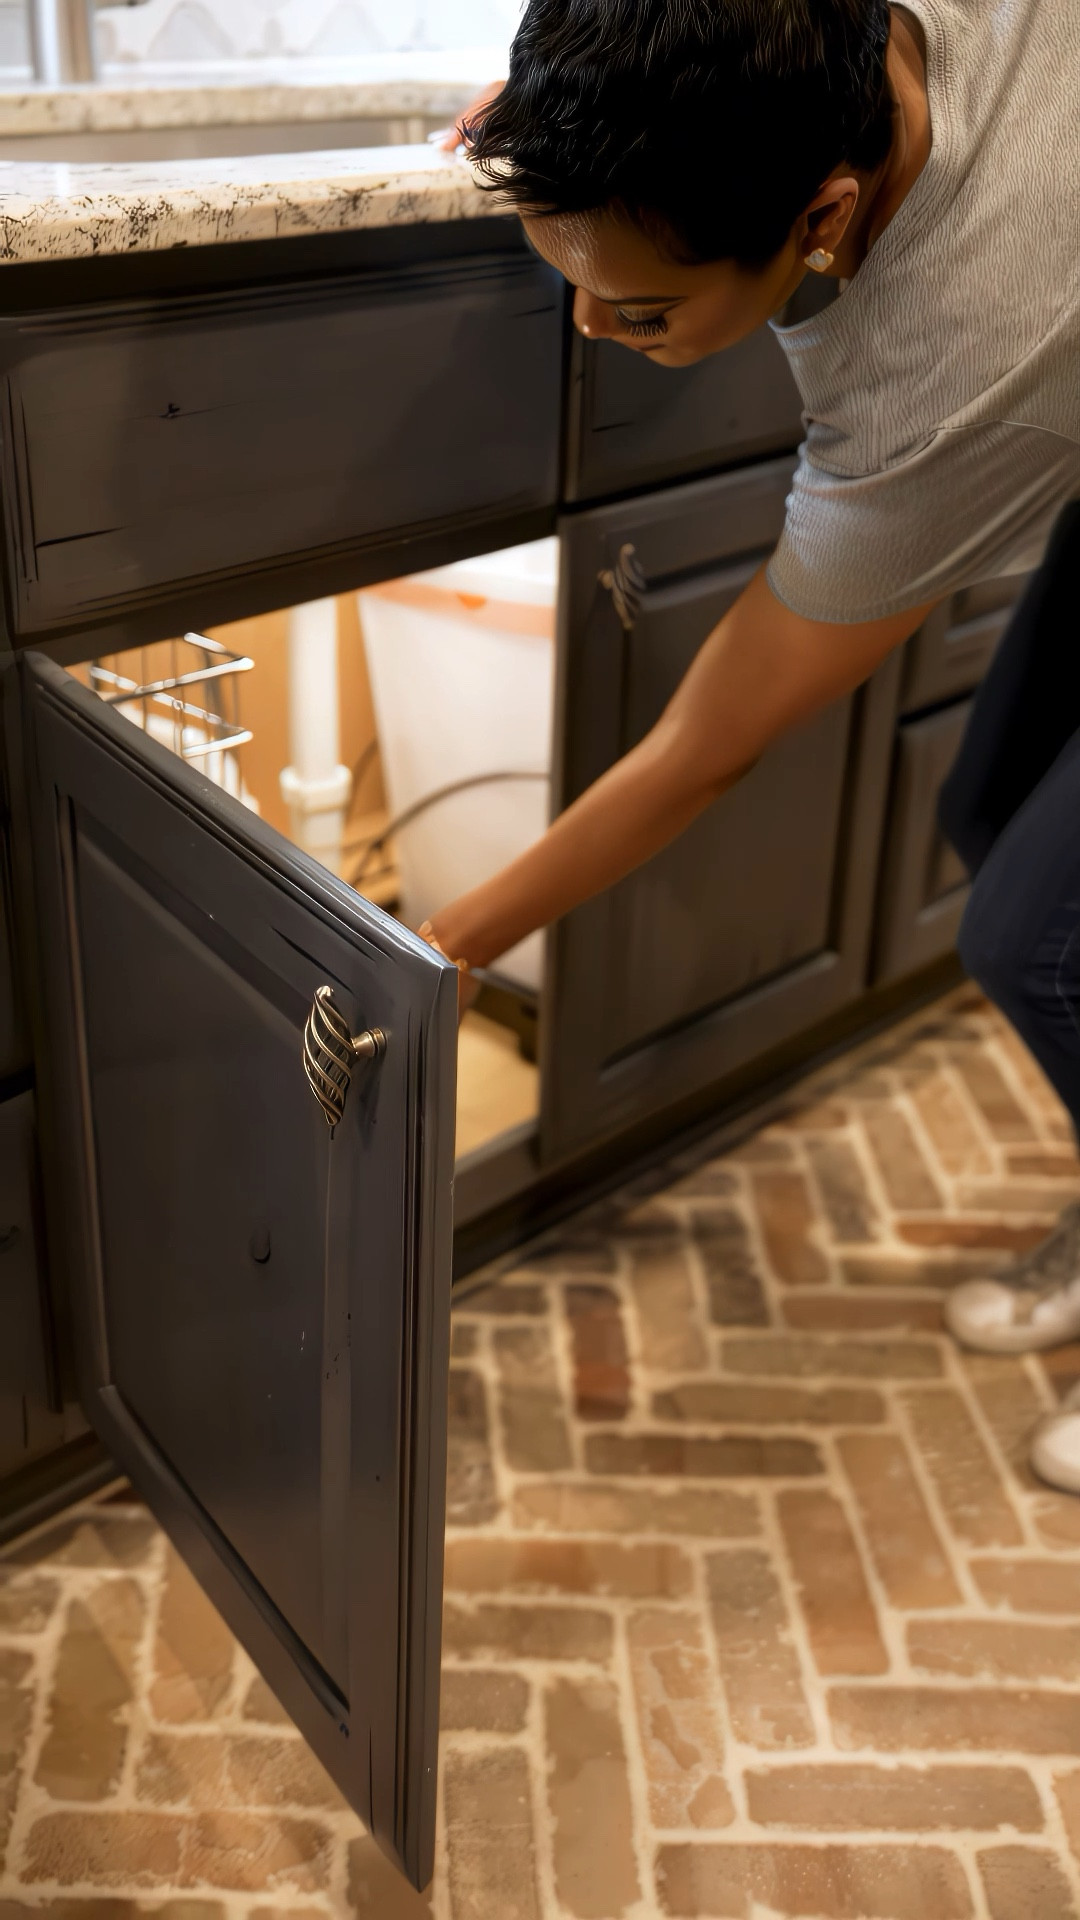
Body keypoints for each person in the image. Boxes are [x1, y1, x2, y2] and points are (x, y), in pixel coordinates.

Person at [426, 0, 1080, 1486]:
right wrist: (588, 98)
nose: (591, 324)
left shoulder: (948, 375)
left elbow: (705, 745)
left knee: (1042, 942)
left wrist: (452, 942)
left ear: (826, 212)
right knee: (997, 810)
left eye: (642, 309)